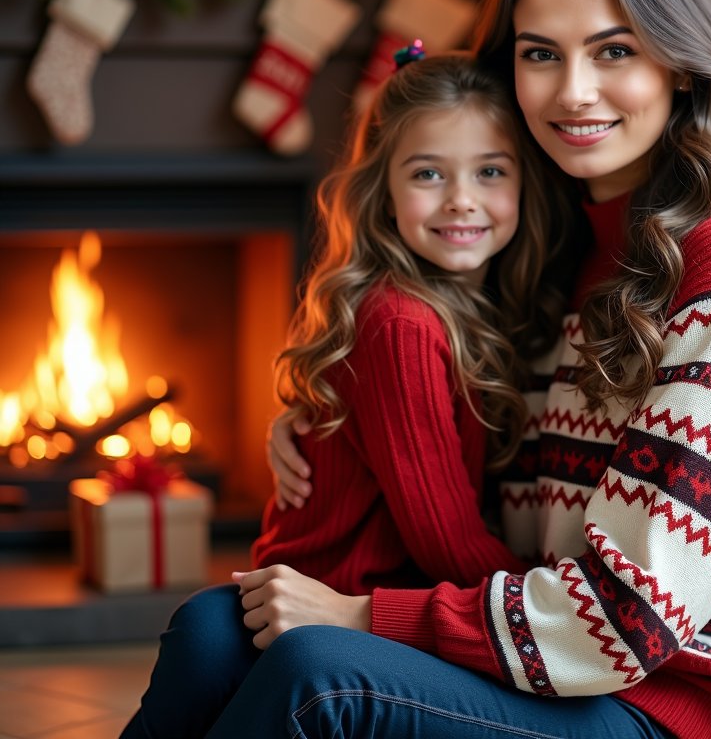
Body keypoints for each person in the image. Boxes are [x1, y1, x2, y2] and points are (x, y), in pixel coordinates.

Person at [211, 0, 711, 739]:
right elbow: (433, 413)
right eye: (541, 54)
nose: (574, 92)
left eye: (614, 51)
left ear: (681, 65)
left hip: (676, 693)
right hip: (540, 649)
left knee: (314, 673)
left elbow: (631, 621)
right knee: (214, 635)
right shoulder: (541, 239)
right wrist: (324, 419)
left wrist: (363, 617)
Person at [118, 51, 572, 739]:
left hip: (341, 606)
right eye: (427, 173)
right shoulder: (403, 324)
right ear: (383, 190)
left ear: (523, 181)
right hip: (322, 613)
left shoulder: (466, 308)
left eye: (490, 170)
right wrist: (556, 610)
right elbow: (446, 543)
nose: (461, 199)